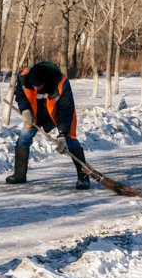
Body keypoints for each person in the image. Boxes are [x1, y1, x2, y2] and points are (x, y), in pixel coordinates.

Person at [8, 61, 89, 189]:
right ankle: (19, 175)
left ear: (45, 81)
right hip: (35, 114)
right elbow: (20, 95)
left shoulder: (61, 84)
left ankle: (83, 177)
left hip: (58, 114)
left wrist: (62, 134)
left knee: (71, 141)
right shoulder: (24, 77)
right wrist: (25, 111)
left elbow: (66, 110)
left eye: (38, 86)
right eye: (33, 86)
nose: (35, 89)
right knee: (24, 137)